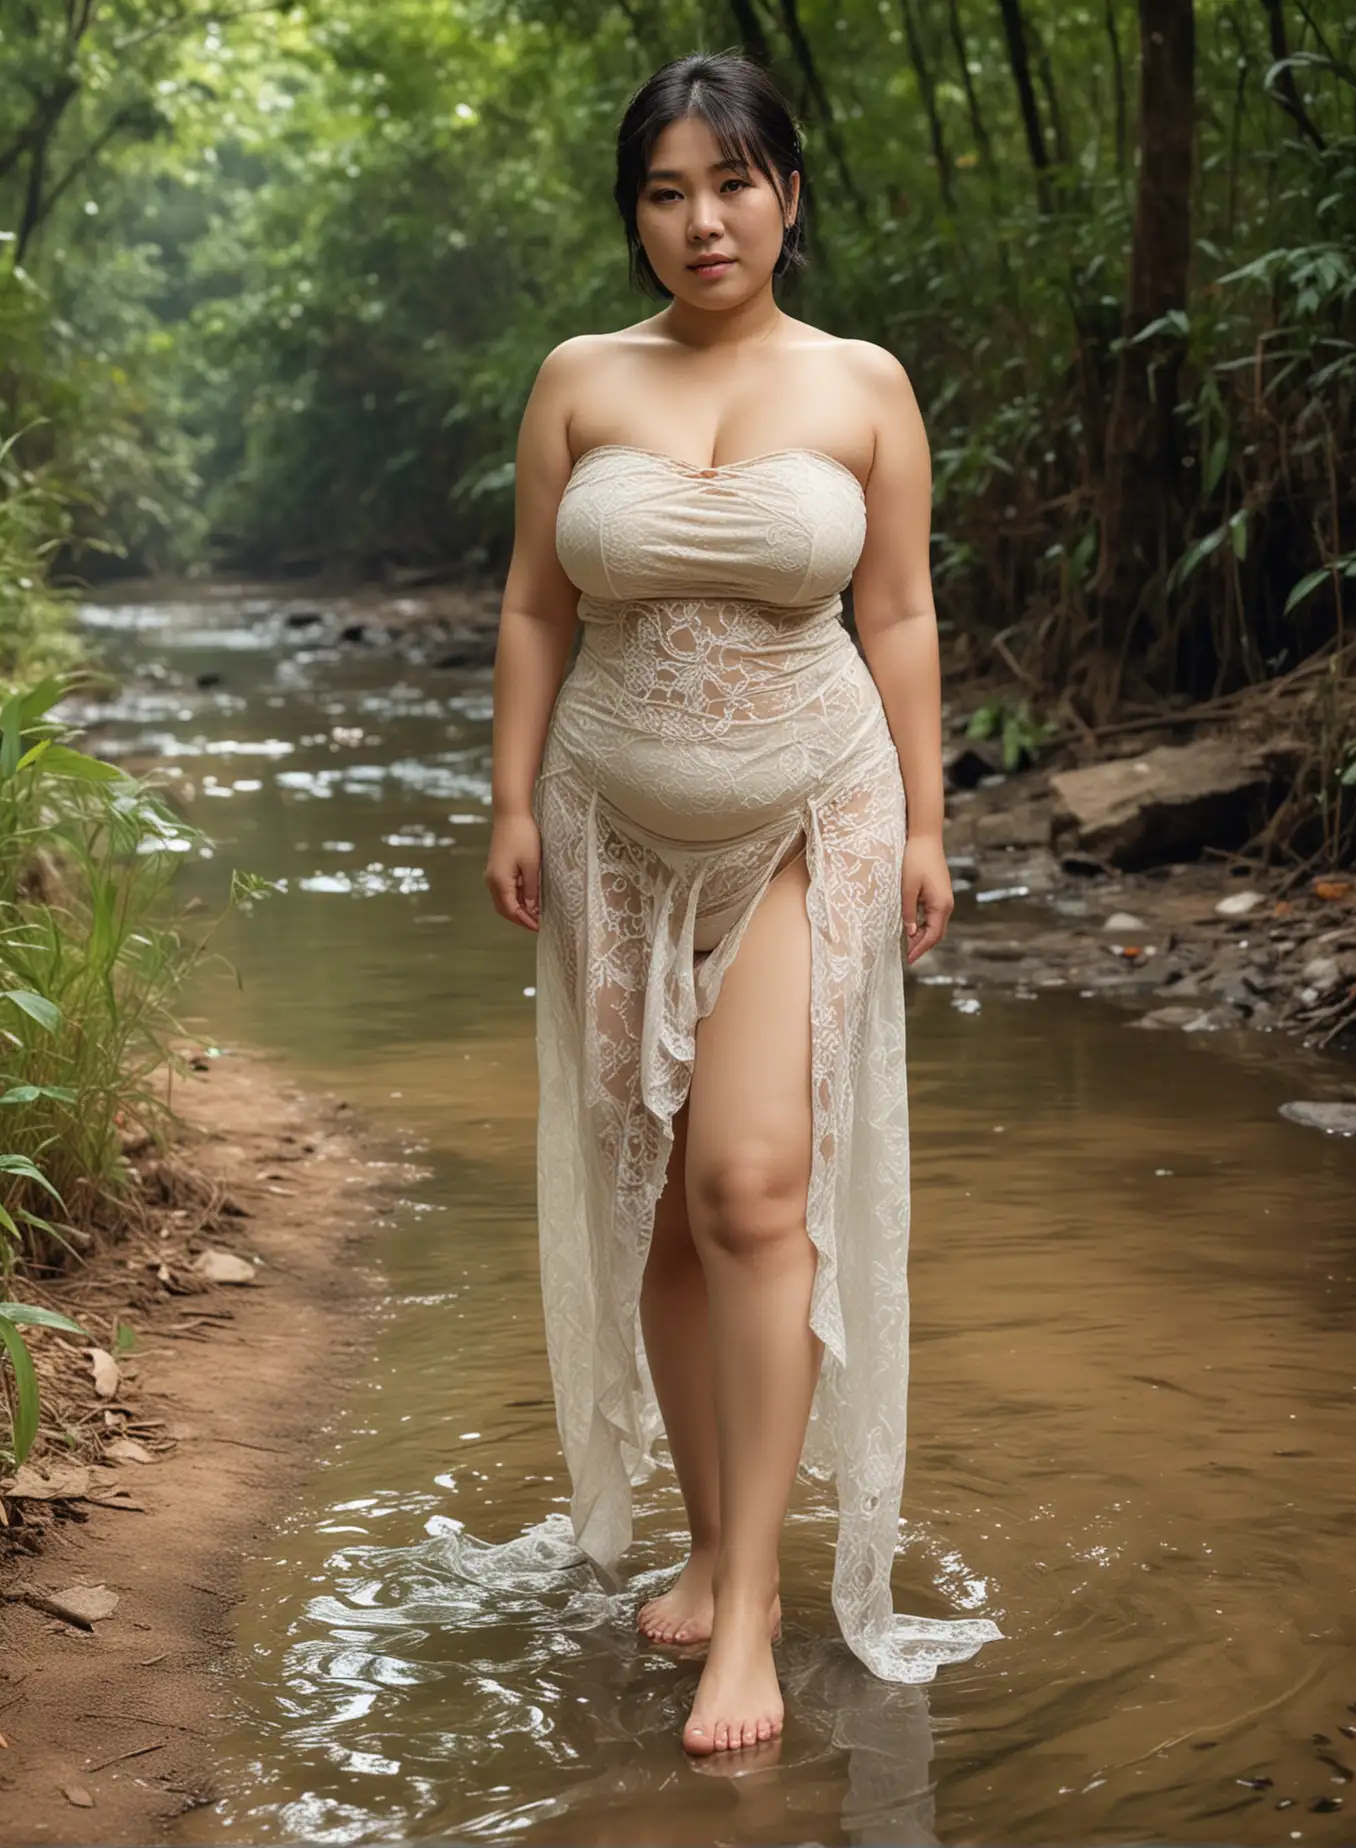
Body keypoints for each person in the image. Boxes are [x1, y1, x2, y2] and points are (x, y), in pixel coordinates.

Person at [484, 48, 1003, 1758]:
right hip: (611, 827)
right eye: (664, 189)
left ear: (790, 192)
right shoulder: (578, 379)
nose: (702, 220)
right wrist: (508, 797)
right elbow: (537, 612)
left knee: (750, 1183)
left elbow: (906, 616)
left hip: (809, 814)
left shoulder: (864, 384)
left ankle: (758, 1610)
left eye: (733, 181)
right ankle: (709, 1548)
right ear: (635, 212)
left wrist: (927, 825)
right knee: (650, 1206)